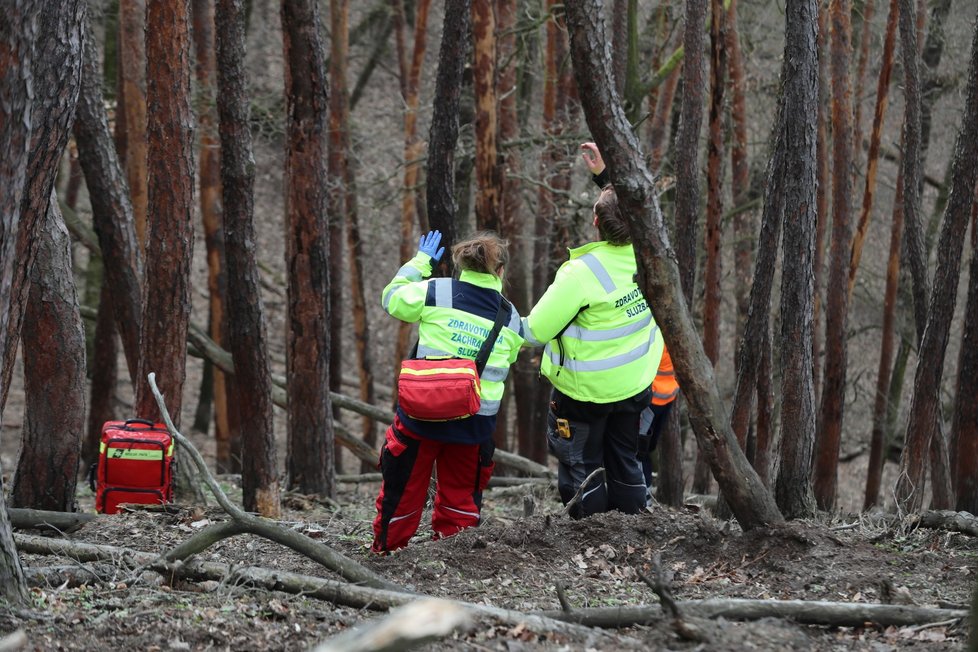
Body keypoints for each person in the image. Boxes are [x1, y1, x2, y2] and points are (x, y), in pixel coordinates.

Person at [521, 142, 664, 518]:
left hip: (583, 395)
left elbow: (534, 330)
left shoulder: (582, 274)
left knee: (582, 466)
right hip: (634, 385)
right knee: (625, 460)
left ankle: (589, 531)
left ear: (596, 223)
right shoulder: (653, 254)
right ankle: (634, 523)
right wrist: (606, 176)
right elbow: (641, 212)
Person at [372, 230, 524, 553]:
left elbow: (391, 297)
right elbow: (509, 358)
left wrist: (421, 261)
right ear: (500, 272)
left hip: (421, 416)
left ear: (461, 266)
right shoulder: (511, 318)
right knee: (460, 502)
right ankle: (453, 555)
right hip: (474, 425)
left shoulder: (434, 292)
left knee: (403, 492)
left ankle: (387, 552)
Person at [582, 143, 681, 501]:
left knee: (633, 452)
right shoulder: (646, 260)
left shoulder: (646, 269)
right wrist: (606, 180)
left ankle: (639, 507)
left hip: (651, 387)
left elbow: (633, 226)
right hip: (641, 383)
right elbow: (631, 225)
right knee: (628, 451)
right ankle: (633, 502)